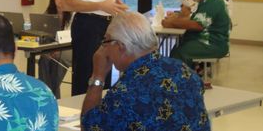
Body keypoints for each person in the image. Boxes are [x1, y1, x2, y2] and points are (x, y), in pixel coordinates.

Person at [81, 12, 210, 131]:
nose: (104, 49)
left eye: (106, 41)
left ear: (120, 46)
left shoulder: (126, 92)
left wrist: (98, 76)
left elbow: (89, 126)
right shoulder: (185, 71)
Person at [162, 0, 230, 68]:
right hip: (206, 40)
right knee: (177, 47)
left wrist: (173, 22)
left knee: (181, 52)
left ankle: (181, 79)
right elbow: (194, 19)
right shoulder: (207, 0)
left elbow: (197, 25)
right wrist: (176, 18)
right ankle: (182, 75)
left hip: (214, 43)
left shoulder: (212, 2)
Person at [38, 0, 72, 98]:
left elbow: (70, 37)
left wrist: (58, 49)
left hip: (69, 48)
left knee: (59, 57)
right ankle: (48, 92)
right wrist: (51, 49)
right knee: (45, 58)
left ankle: (49, 94)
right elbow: (43, 35)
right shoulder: (48, 13)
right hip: (52, 47)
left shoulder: (72, 15)